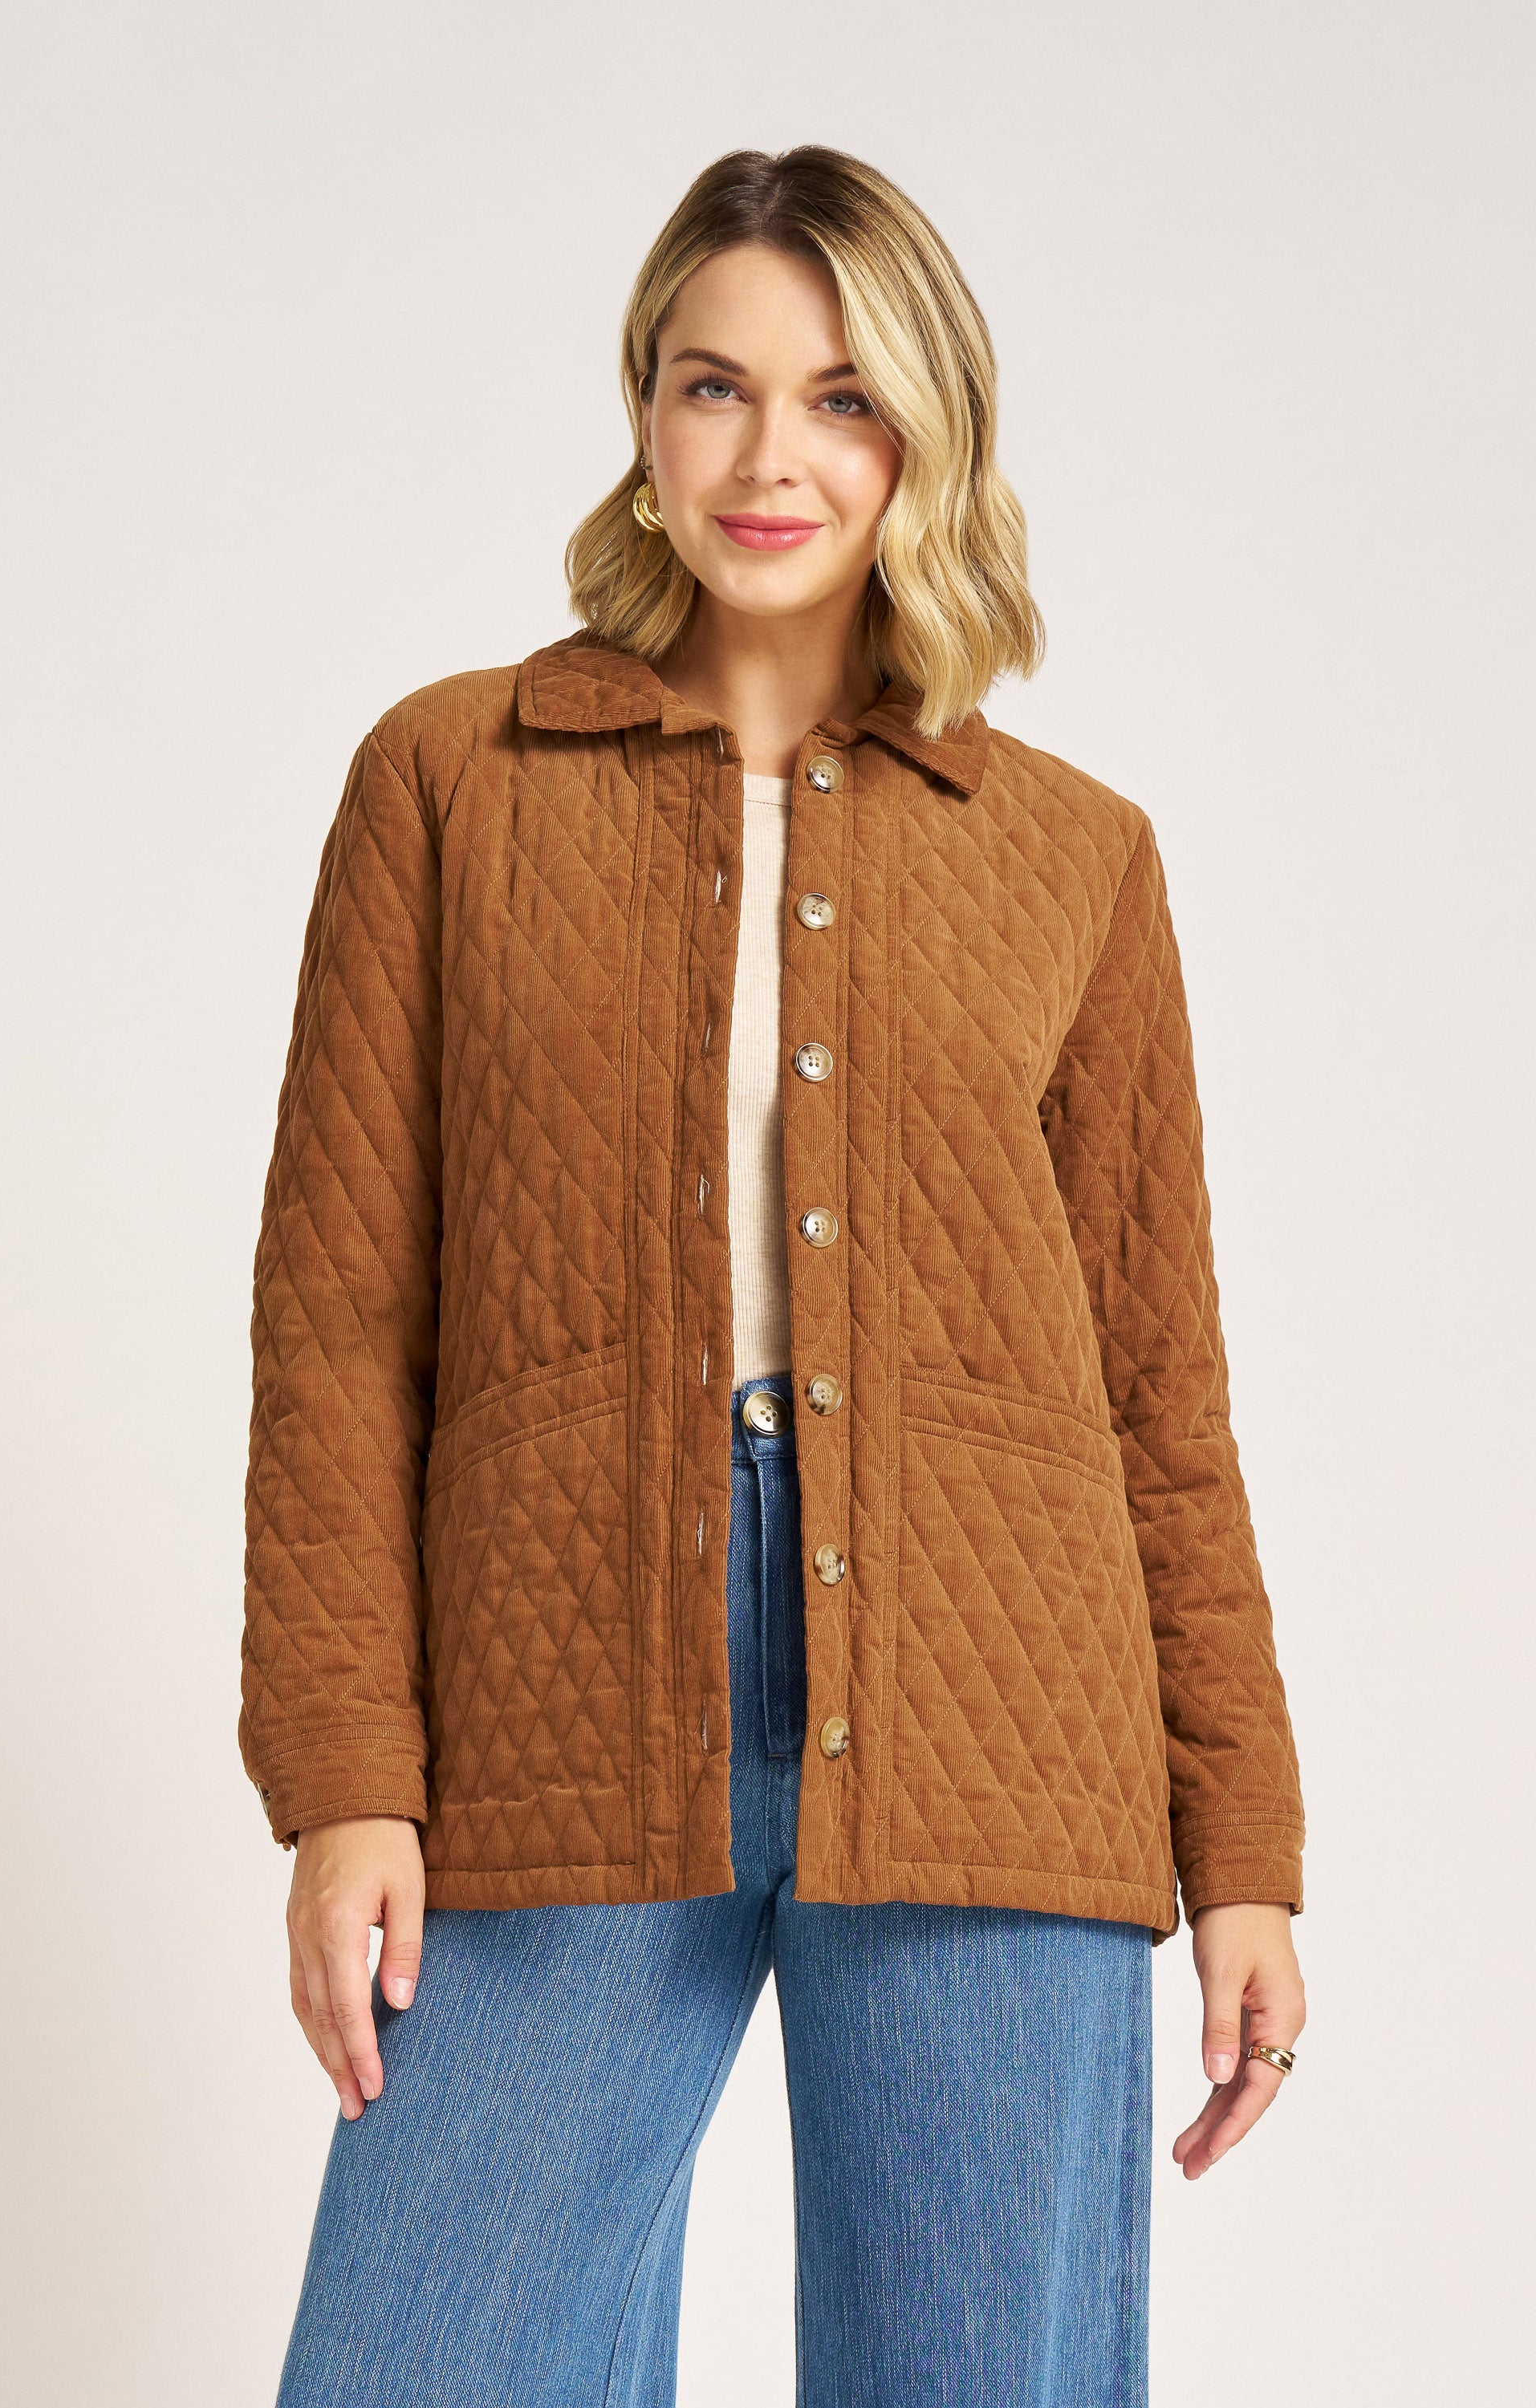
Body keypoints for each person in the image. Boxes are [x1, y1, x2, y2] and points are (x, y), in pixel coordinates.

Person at [239, 144, 1307, 2408]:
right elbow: (337, 1326)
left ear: (928, 435)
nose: (768, 458)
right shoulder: (448, 782)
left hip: (998, 1700)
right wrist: (344, 1772)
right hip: (556, 1665)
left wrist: (1246, 1849)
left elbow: (1159, 1393)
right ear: (645, 407)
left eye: (842, 399)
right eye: (715, 385)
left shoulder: (1073, 858)